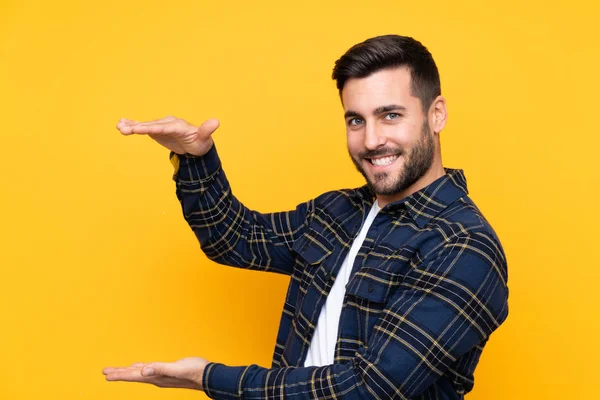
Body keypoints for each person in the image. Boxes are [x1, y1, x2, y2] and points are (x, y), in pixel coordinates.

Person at [103, 34, 509, 399]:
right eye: (356, 120)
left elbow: (369, 389)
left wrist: (209, 378)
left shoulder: (463, 246)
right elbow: (235, 239)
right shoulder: (338, 211)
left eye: (390, 115)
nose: (371, 140)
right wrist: (196, 160)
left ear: (436, 114)